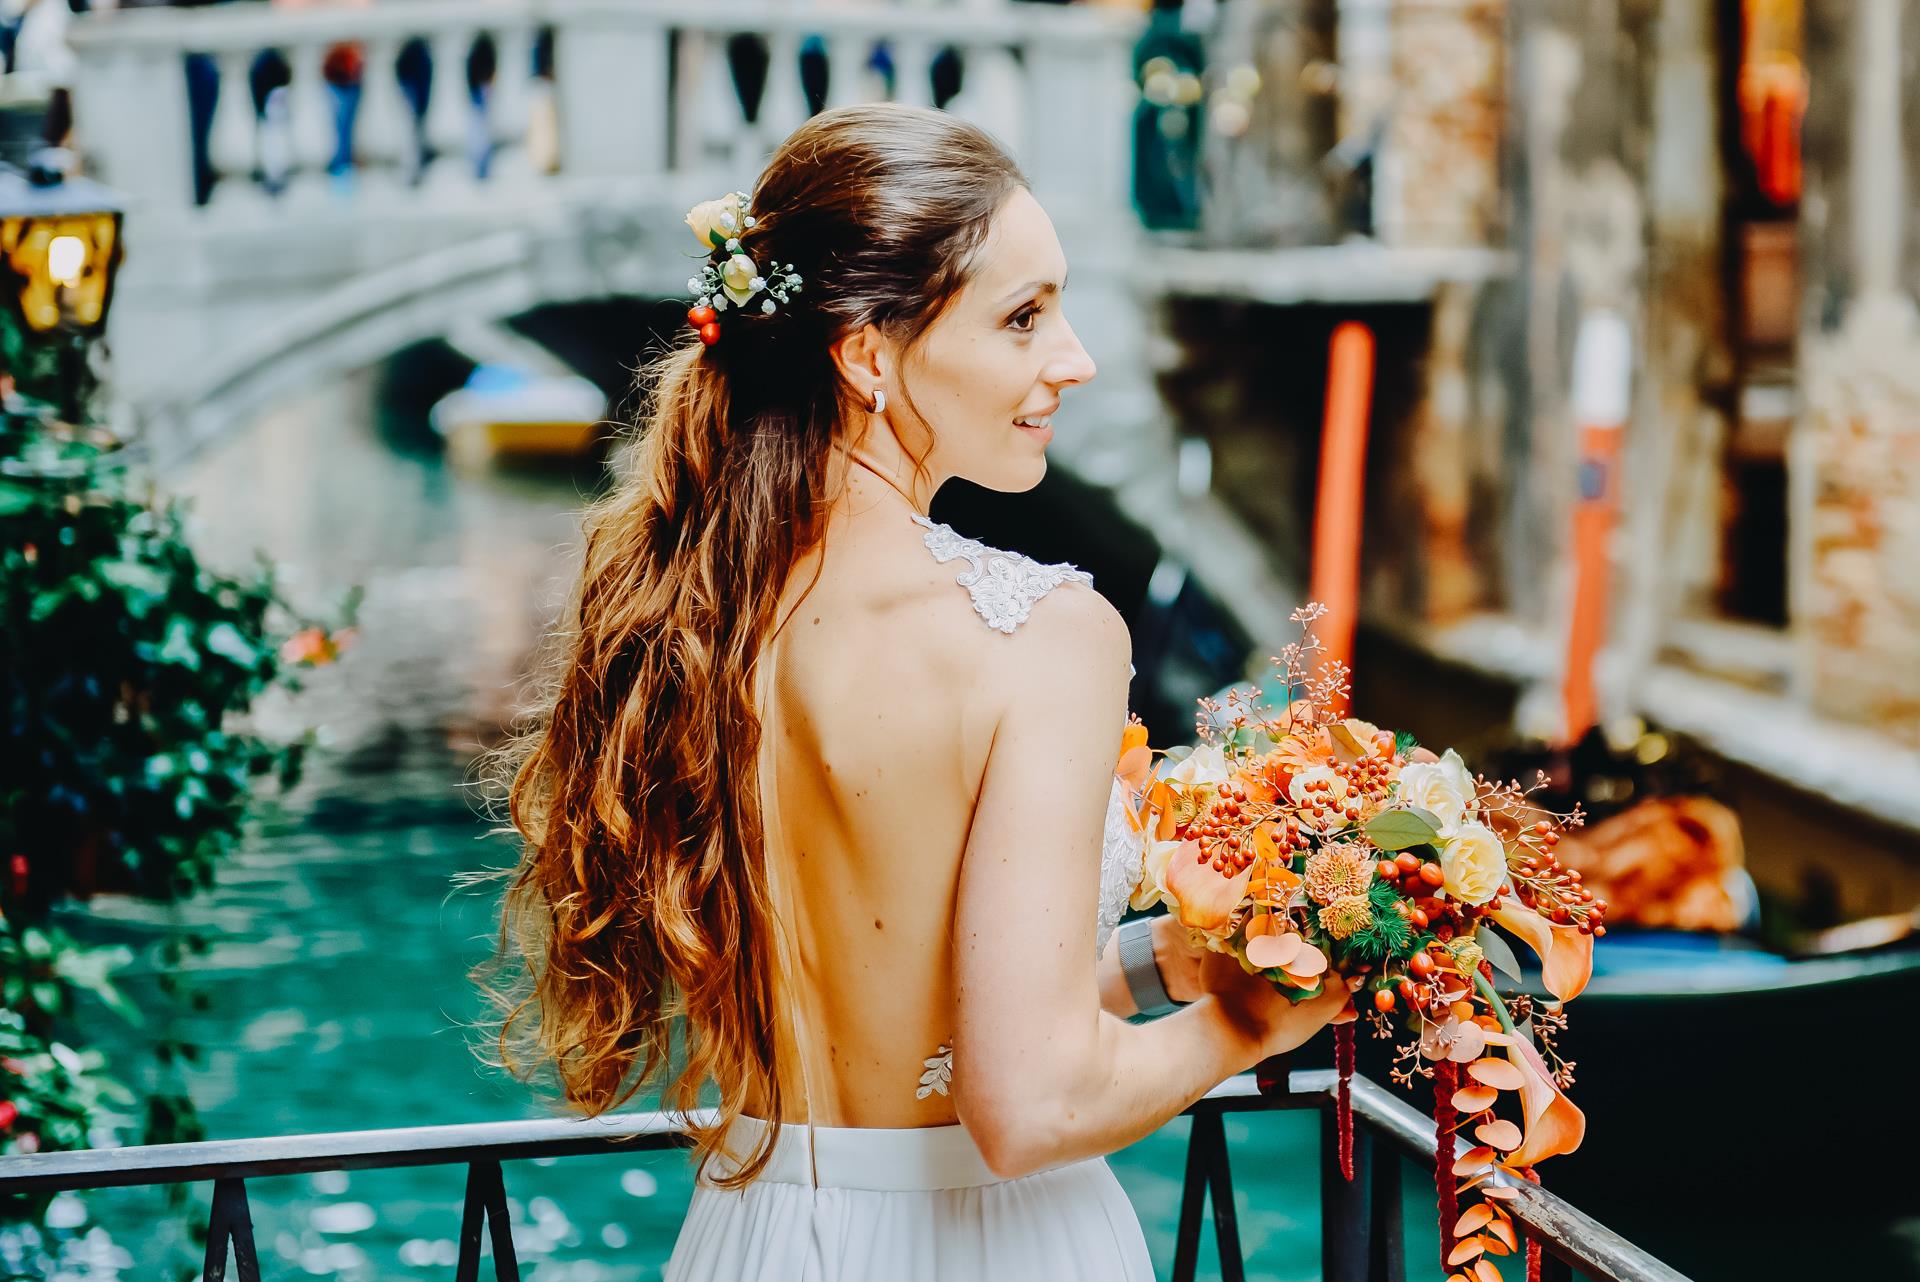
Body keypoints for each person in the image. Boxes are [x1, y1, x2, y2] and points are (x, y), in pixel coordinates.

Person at [481, 102, 1352, 1280]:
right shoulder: (1046, 637)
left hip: (754, 1235)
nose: (1074, 358)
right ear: (870, 355)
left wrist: (1154, 968)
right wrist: (1256, 1017)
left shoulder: (694, 615)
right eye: (1023, 317)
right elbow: (1026, 1107)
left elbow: (893, 1011)